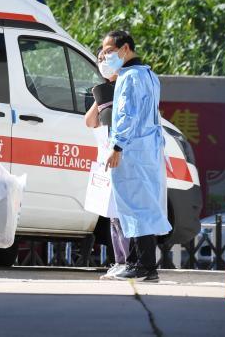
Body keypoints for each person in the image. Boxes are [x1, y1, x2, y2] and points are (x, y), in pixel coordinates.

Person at [100, 30, 170, 283]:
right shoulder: (148, 74)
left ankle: (144, 265)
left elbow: (126, 114)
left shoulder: (129, 77)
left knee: (136, 207)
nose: (106, 56)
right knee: (140, 207)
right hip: (146, 150)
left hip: (132, 150)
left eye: (109, 51)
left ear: (125, 49)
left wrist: (117, 146)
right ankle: (135, 262)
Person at [85, 48, 132, 280]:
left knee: (124, 213)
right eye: (100, 60)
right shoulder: (104, 92)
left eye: (107, 58)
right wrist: (99, 98)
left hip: (126, 158)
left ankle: (130, 261)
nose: (103, 63)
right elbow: (90, 121)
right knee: (113, 214)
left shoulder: (128, 86)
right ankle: (120, 260)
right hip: (108, 158)